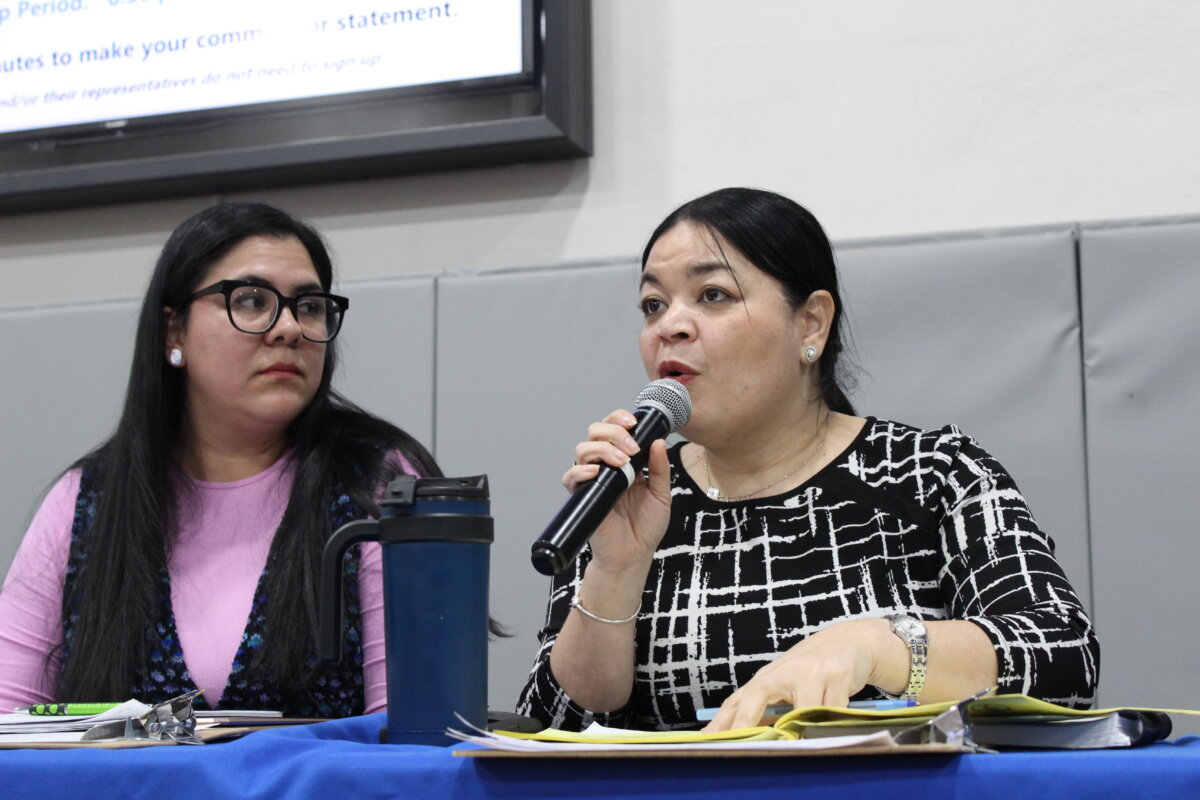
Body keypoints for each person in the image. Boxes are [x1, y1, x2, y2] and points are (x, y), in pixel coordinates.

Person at [517, 187, 1100, 732]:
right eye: (652, 304)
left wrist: (873, 645)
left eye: (712, 295)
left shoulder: (933, 474)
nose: (669, 325)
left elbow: (1064, 662)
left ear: (811, 323)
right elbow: (548, 725)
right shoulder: (628, 493)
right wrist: (614, 573)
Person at [0, 202, 440, 716]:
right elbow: (11, 731)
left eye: (310, 306)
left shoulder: (382, 482)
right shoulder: (86, 502)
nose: (289, 328)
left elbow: (413, 733)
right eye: (252, 301)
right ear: (174, 332)